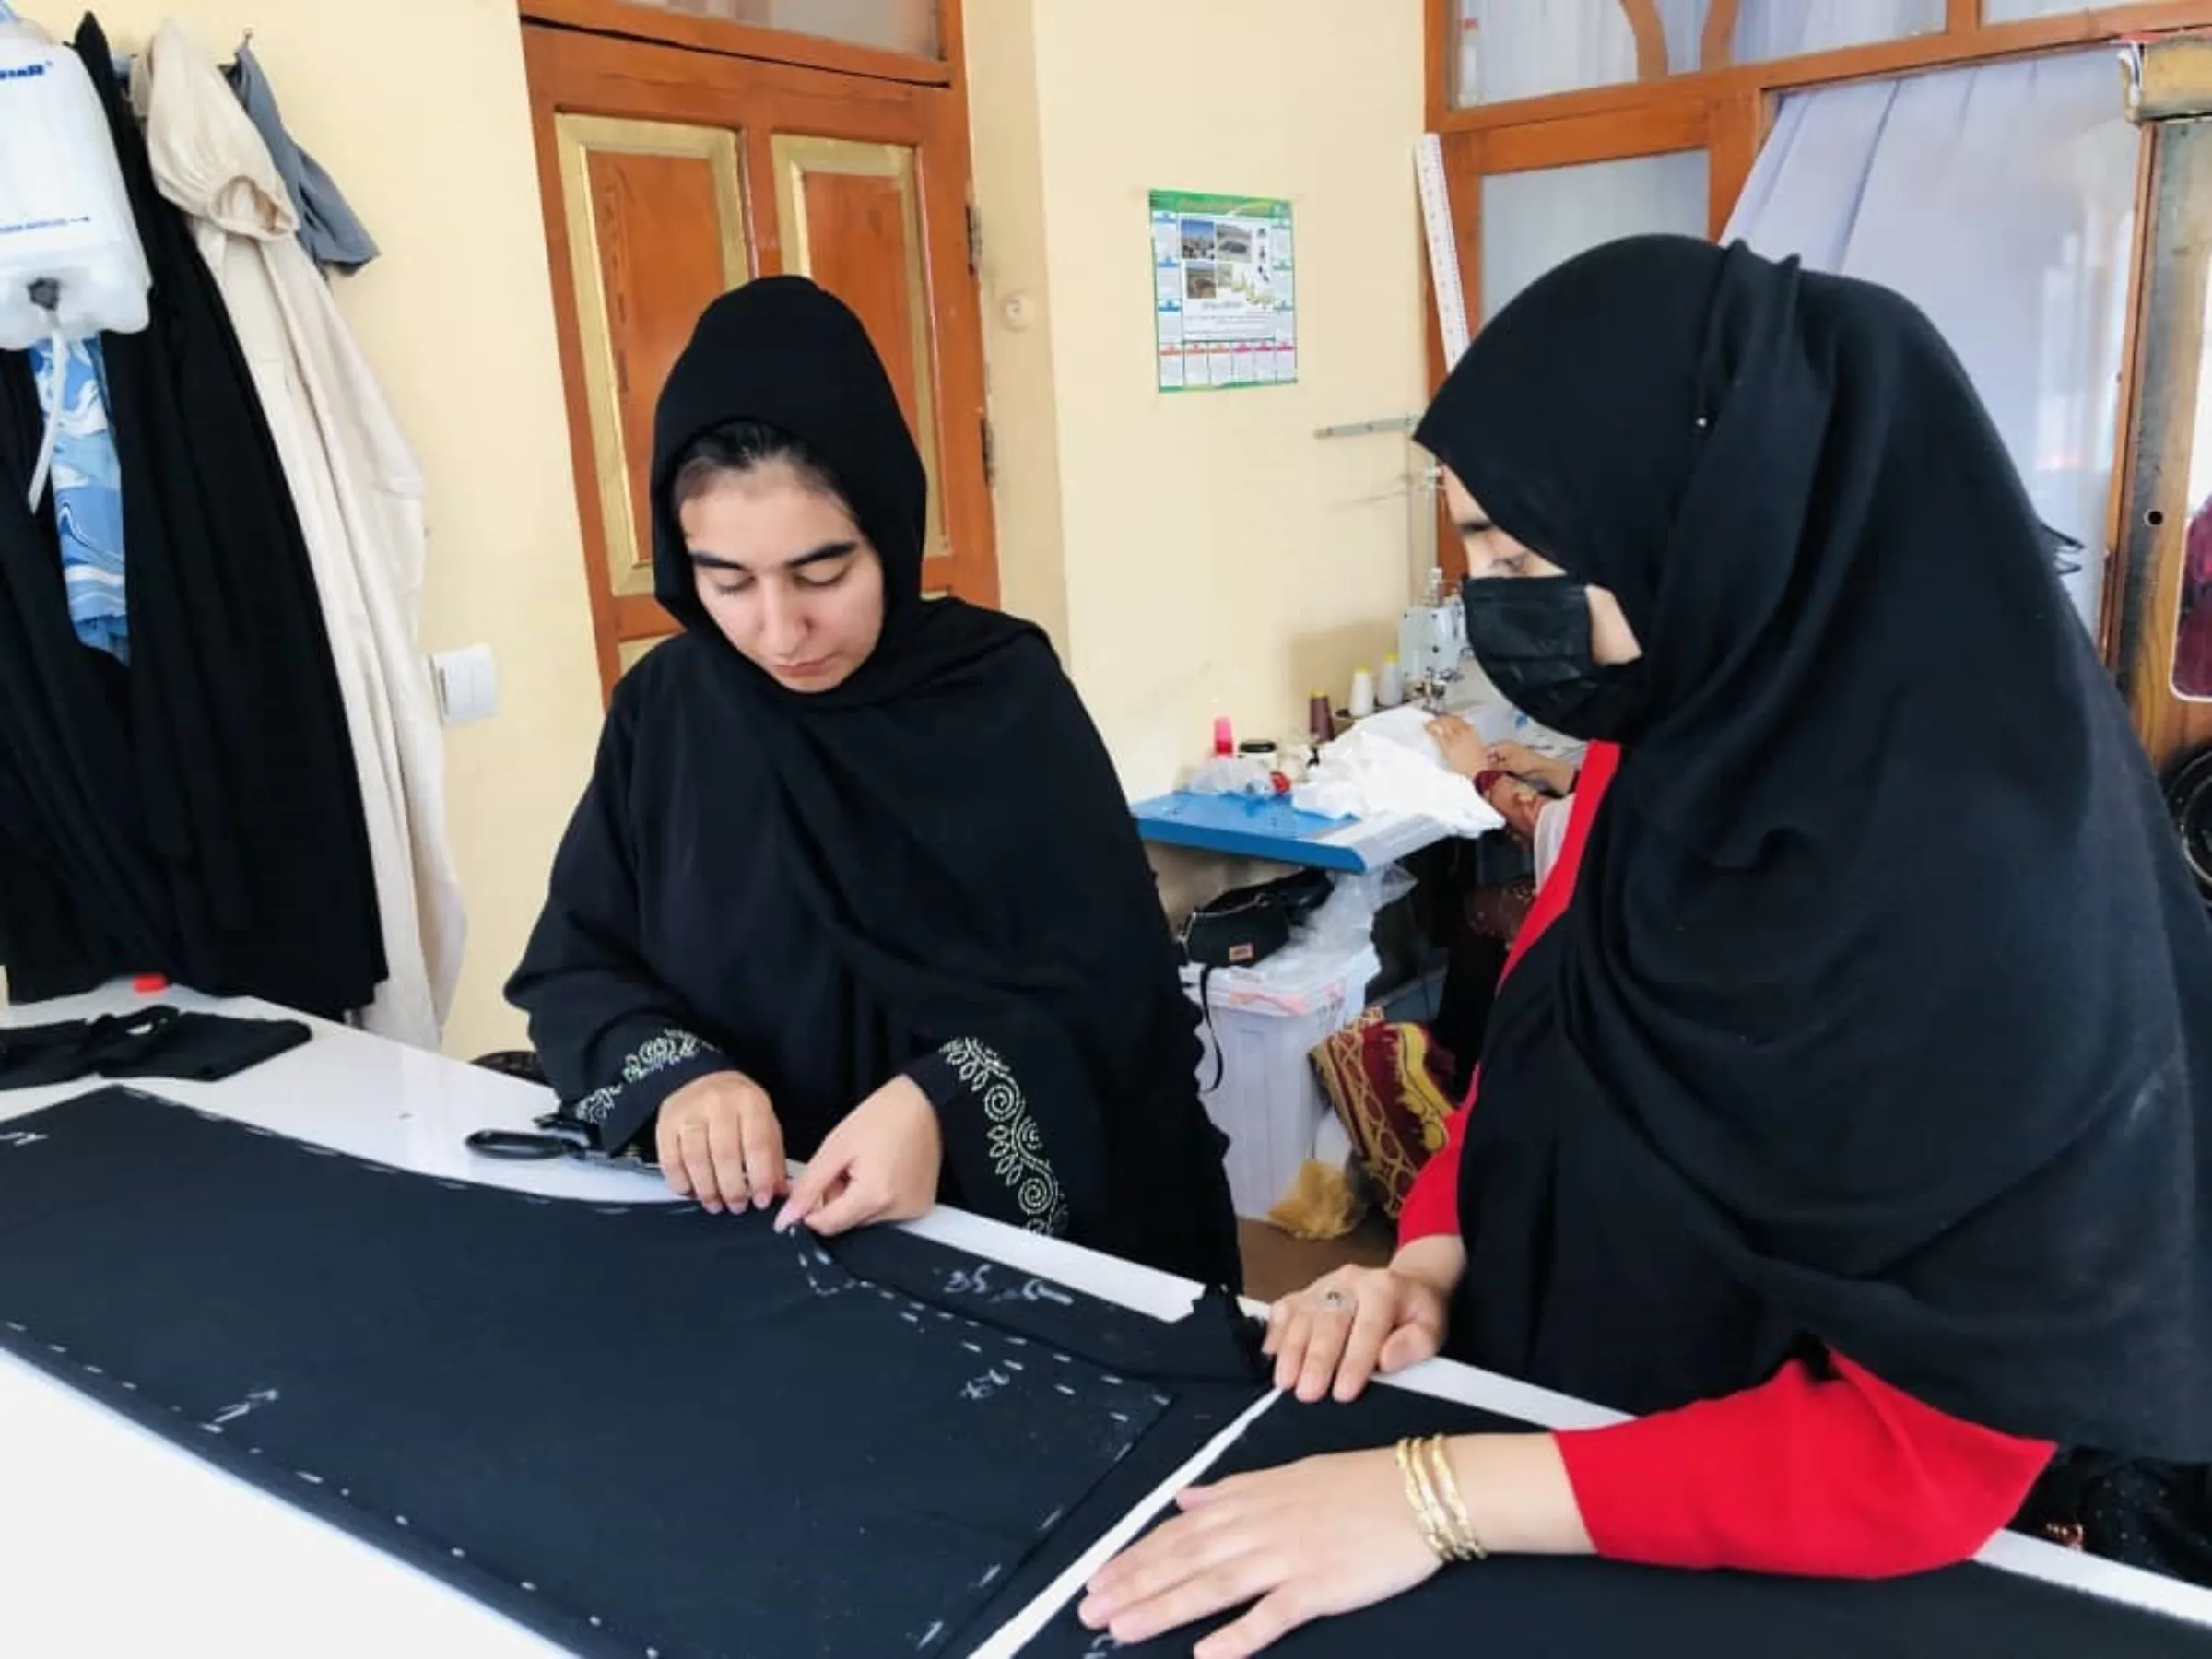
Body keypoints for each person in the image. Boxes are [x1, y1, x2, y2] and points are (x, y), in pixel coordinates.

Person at [1077, 235, 2212, 1654]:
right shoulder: (1678, 737)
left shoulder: (1986, 887)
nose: (1496, 602)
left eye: (1524, 553)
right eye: (1471, 547)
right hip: (1568, 1435)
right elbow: (1553, 1037)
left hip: (1766, 1554)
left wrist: (1435, 1496)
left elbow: (1922, 1465)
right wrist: (1433, 1253)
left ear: (1714, 519)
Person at [507, 276, 1239, 1286]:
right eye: (727, 582)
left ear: (889, 529)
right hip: (748, 1234)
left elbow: (1116, 991)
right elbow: (577, 965)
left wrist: (943, 1103)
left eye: (821, 575)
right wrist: (684, 1080)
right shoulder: (669, 713)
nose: (780, 630)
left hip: (1000, 1251)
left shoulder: (998, 695)